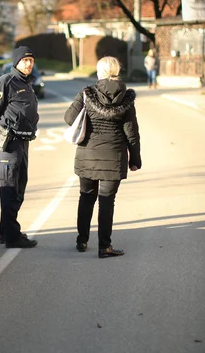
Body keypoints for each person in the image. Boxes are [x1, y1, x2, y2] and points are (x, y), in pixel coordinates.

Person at [64, 56, 141, 259]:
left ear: (99, 72)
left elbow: (69, 118)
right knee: (107, 202)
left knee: (86, 197)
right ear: (117, 71)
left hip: (87, 154)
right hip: (113, 157)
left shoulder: (87, 94)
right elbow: (131, 131)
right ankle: (104, 247)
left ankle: (82, 240)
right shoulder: (126, 98)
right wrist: (135, 159)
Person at [0, 46, 40, 249]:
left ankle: (5, 231)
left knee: (19, 186)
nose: (29, 64)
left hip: (23, 142)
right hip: (9, 141)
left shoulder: (26, 82)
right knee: (9, 189)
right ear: (16, 62)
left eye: (31, 61)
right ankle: (12, 236)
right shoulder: (6, 81)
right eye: (25, 61)